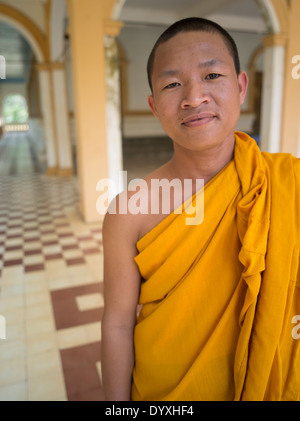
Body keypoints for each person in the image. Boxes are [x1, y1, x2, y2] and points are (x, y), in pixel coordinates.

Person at [101, 17, 300, 401]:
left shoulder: (286, 182)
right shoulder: (130, 211)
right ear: (155, 106)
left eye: (212, 76)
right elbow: (117, 326)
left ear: (241, 87)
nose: (193, 97)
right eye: (172, 84)